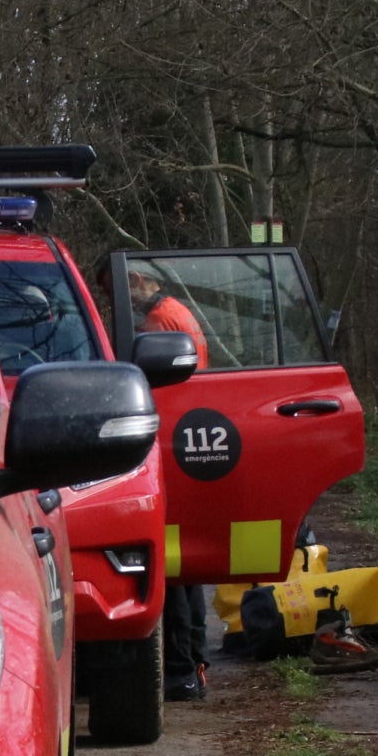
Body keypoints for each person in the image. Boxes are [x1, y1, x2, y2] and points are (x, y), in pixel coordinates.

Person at [128, 267, 213, 701]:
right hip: (187, 426)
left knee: (172, 566)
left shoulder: (158, 322)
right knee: (185, 567)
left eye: (123, 289)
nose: (122, 301)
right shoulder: (177, 310)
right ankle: (192, 662)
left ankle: (180, 666)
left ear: (140, 280)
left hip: (168, 433)